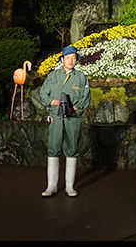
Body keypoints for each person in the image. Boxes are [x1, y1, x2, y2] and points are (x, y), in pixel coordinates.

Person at [38, 44, 90, 198]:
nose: (71, 61)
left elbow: (85, 98)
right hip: (56, 117)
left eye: (73, 58)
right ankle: (51, 186)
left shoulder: (81, 77)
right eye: (68, 58)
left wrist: (74, 108)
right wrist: (55, 102)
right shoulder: (53, 76)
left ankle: (69, 186)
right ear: (62, 59)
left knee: (72, 149)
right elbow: (43, 94)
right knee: (53, 149)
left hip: (73, 118)